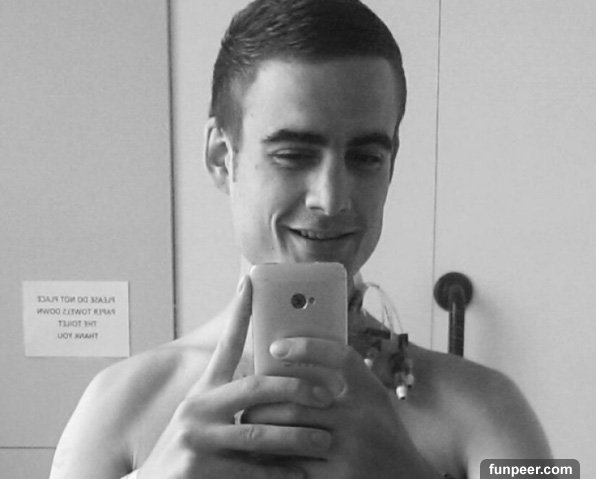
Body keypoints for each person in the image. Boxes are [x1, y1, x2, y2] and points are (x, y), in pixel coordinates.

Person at [49, 1, 552, 478]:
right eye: (293, 155)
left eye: (366, 157)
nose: (331, 199)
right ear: (221, 157)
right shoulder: (117, 405)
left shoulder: (493, 407)